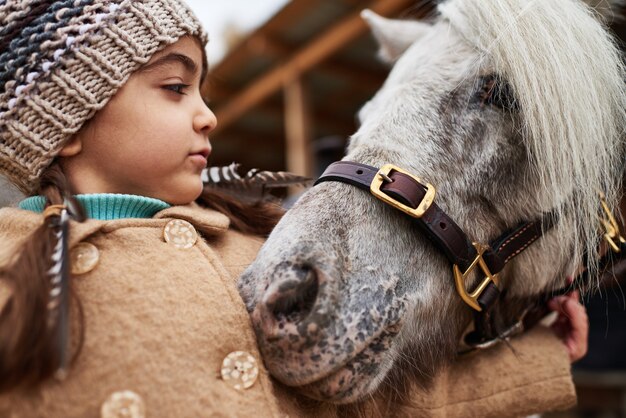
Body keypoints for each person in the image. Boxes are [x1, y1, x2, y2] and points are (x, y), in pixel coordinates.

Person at [0, 1, 587, 417]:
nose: (208, 116)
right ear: (69, 124)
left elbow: (388, 401)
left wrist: (542, 353)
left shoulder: (260, 256)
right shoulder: (11, 274)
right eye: (176, 89)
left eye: (203, 92)